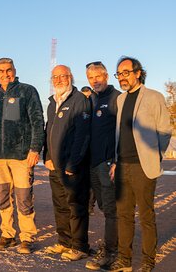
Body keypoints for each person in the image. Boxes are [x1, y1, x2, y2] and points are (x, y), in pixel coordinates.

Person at [108, 57, 171, 272]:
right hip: (122, 165)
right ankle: (124, 260)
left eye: (126, 72)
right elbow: (119, 134)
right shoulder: (120, 100)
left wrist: (155, 156)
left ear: (137, 73)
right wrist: (116, 161)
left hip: (143, 167)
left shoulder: (154, 97)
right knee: (124, 216)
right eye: (119, 74)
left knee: (146, 216)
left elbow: (164, 131)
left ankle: (147, 260)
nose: (122, 78)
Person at [0, 57, 45, 254]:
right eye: (1, 71)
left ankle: (27, 237)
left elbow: (38, 121)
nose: (5, 74)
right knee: (3, 196)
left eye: (9, 70)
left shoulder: (27, 91)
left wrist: (35, 149)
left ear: (14, 70)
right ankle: (7, 234)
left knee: (23, 197)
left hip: (21, 155)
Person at [43, 65, 92, 262]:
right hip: (54, 165)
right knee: (60, 205)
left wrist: (73, 163)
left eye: (63, 76)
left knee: (76, 205)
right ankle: (64, 242)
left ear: (70, 77)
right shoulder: (52, 102)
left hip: (72, 166)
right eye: (55, 77)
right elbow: (49, 132)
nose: (59, 79)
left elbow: (82, 134)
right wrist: (46, 156)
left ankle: (80, 246)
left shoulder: (79, 100)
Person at [83, 61, 120, 271]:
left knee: (111, 210)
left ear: (106, 75)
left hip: (108, 163)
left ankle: (112, 253)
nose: (94, 81)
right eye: (90, 77)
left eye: (98, 76)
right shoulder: (93, 99)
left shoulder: (116, 98)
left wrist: (116, 160)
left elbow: (122, 131)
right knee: (104, 207)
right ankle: (112, 245)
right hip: (94, 164)